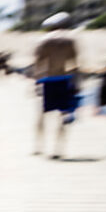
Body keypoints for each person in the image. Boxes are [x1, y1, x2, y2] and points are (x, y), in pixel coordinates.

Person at [32, 12, 79, 158]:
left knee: (42, 115)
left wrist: (36, 83)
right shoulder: (69, 40)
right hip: (64, 79)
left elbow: (38, 63)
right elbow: (74, 64)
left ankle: (39, 147)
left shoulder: (45, 40)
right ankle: (58, 149)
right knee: (63, 115)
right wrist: (77, 83)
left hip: (48, 80)